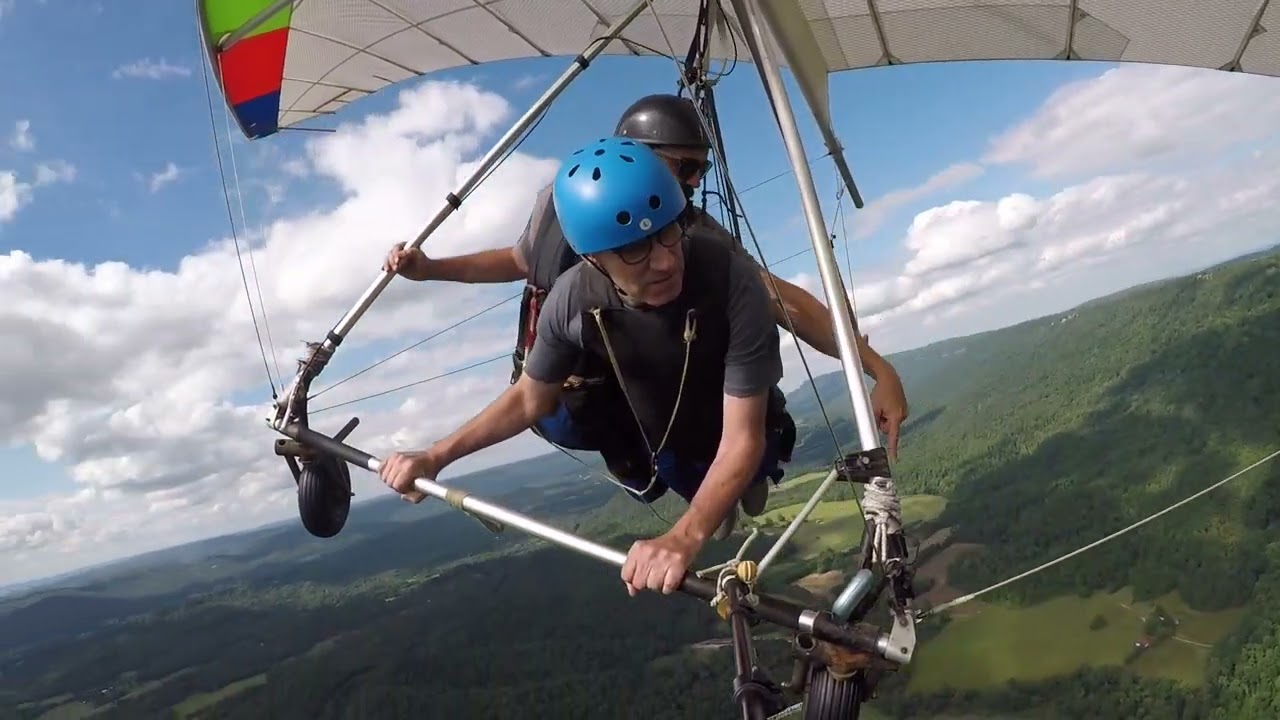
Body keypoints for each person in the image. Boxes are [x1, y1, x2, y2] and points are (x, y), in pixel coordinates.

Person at [384, 93, 910, 458]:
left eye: (698, 170)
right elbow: (522, 260)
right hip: (571, 395)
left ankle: (714, 465)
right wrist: (430, 270)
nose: (692, 184)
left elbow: (781, 301)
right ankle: (643, 459)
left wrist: (876, 368)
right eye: (682, 168)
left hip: (650, 399)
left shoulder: (690, 238)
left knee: (709, 435)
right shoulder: (561, 206)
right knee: (620, 440)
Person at [380, 136, 791, 597]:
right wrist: (437, 455)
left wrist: (683, 537)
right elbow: (529, 398)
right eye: (633, 248)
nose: (664, 261)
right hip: (660, 424)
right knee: (670, 469)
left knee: (747, 468)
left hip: (726, 415)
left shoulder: (729, 278)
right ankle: (714, 494)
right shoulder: (574, 297)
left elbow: (743, 436)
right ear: (594, 258)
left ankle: (739, 487)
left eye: (668, 232)